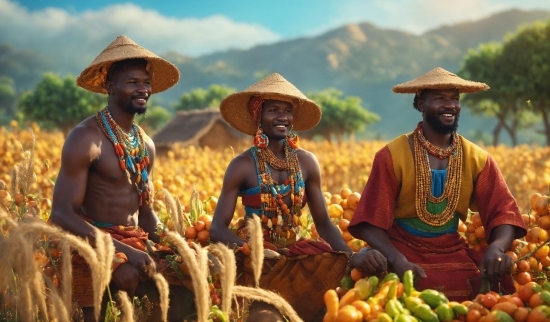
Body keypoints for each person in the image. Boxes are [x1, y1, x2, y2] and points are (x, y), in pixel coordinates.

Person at [210, 73, 387, 321]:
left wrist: (351, 256)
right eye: (273, 110)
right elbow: (217, 228)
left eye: (287, 110)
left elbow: (324, 223)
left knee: (329, 304)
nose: (282, 117)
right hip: (256, 261)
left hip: (296, 255)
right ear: (258, 115)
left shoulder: (306, 162)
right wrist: (254, 250)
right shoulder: (241, 165)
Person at [348, 67, 527, 301]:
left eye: (454, 98)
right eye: (440, 98)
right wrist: (397, 260)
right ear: (421, 104)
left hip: (452, 250)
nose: (450, 105)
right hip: (401, 247)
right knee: (389, 293)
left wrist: (497, 248)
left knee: (486, 288)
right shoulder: (392, 155)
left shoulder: (477, 158)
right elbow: (370, 221)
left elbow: (503, 210)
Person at [50, 35, 193, 320]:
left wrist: (174, 246)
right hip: (89, 245)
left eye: (146, 82)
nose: (143, 89)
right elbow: (62, 213)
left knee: (188, 291)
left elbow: (146, 214)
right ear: (110, 86)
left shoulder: (146, 145)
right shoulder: (86, 138)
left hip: (134, 244)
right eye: (132, 82)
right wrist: (119, 254)